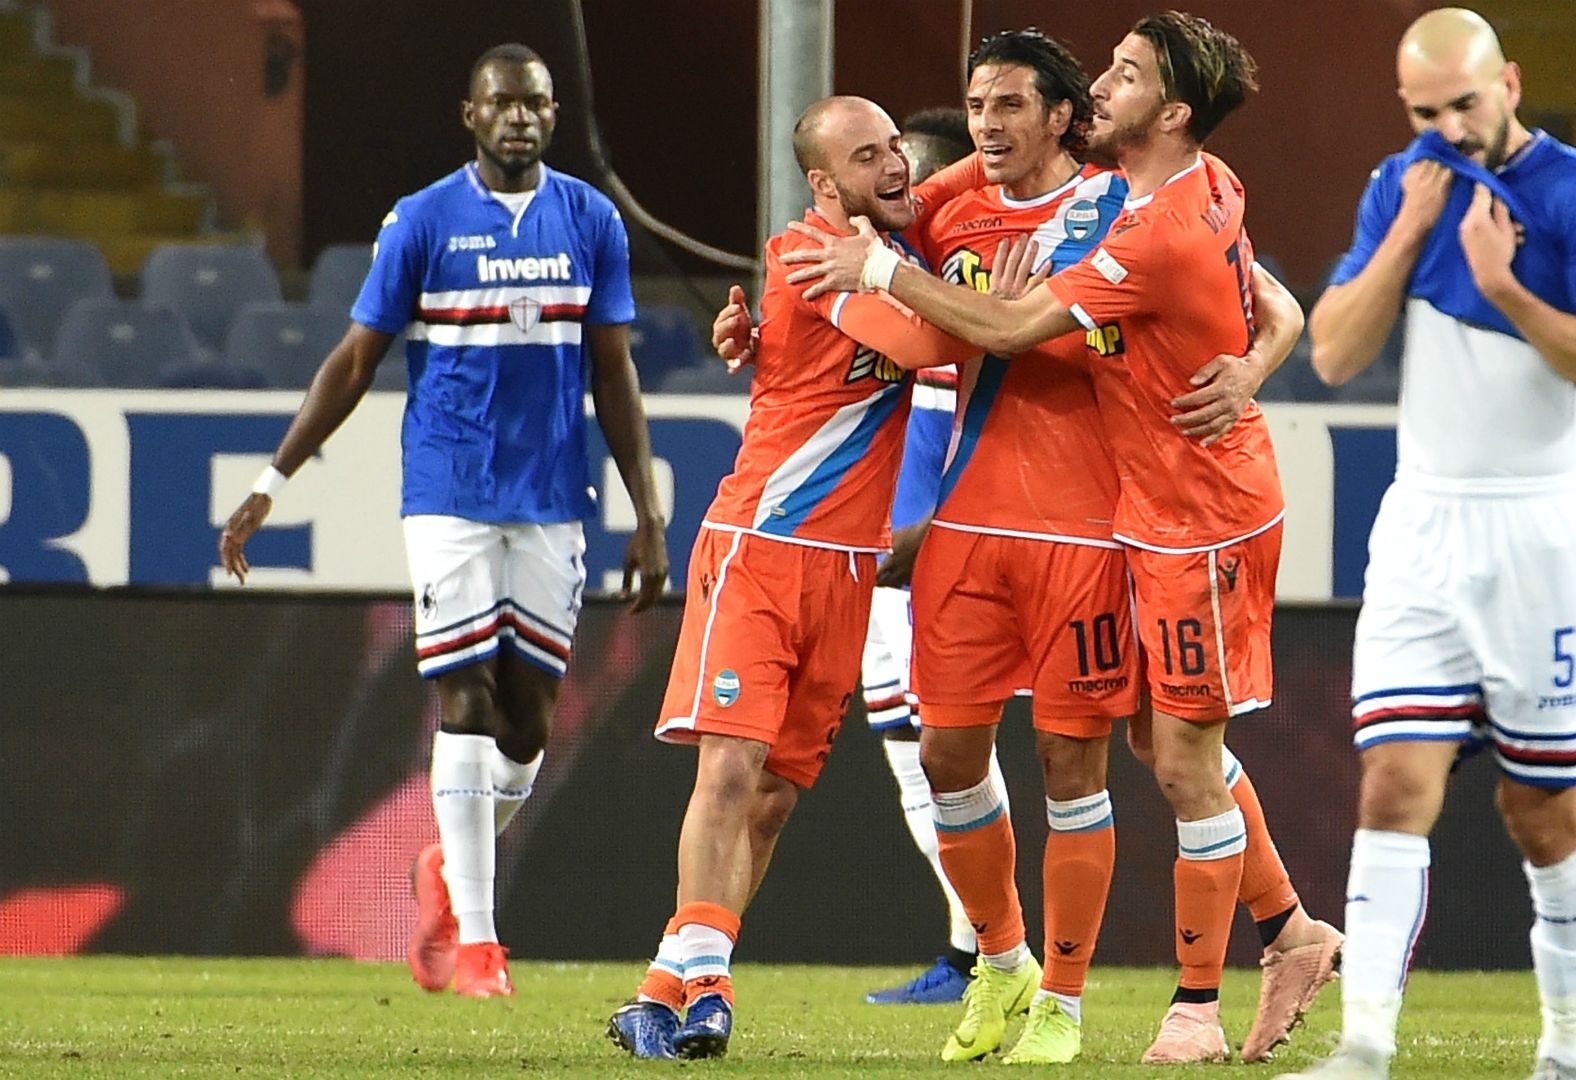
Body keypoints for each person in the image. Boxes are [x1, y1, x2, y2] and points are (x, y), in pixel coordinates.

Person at [780, 12, 1330, 1064]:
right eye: (975, 105)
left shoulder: (1131, 214)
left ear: (1075, 116)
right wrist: (770, 316)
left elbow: (1009, 323)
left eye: (1010, 104)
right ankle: (1029, 961)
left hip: (1141, 525)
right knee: (1040, 749)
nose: (985, 124)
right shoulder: (999, 201)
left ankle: (1143, 1006)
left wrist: (1253, 370)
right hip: (1036, 521)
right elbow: (857, 225)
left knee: (1154, 755)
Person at [216, 43, 671, 1000]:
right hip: (449, 492)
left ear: (553, 116)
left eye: (538, 105)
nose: (522, 118)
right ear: (470, 115)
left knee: (529, 727)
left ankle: (444, 866)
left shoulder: (589, 221)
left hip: (554, 498)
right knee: (462, 698)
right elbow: (353, 360)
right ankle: (477, 937)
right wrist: (273, 478)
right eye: (504, 103)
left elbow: (613, 370)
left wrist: (647, 511)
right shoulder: (421, 221)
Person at [1277, 9, 1576, 1080]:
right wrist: (1407, 232)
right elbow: (1338, 354)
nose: (1448, 125)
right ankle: (1364, 1048)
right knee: (1392, 783)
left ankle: (1569, 1052)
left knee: (1541, 809)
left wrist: (1503, 289)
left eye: (1464, 103)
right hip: (1425, 523)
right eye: (1425, 111)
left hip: (1543, 531)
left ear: (1510, 83)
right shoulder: (1403, 185)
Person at [604, 94, 982, 1061]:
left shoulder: (885, 257)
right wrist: (904, 284)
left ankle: (664, 986)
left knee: (773, 796)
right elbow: (936, 349)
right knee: (728, 769)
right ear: (824, 184)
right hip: (761, 550)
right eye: (868, 155)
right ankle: (713, 985)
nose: (895, 165)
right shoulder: (806, 256)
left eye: (898, 147)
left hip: (851, 570)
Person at [857, 102, 1008, 1009]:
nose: (899, 189)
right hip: (889, 559)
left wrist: (939, 524)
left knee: (951, 757)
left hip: (944, 557)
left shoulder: (969, 297)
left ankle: (1000, 955)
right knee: (917, 757)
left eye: (917, 174)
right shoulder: (892, 286)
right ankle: (973, 950)